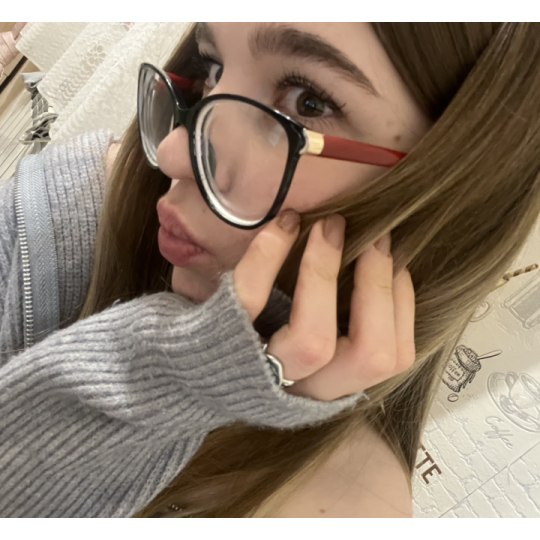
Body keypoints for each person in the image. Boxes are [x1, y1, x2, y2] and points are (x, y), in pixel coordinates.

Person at [0, 22, 539, 519]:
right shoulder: (63, 205)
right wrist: (171, 372)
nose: (171, 154)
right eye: (213, 68)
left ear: (451, 192)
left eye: (307, 103)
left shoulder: (347, 507)